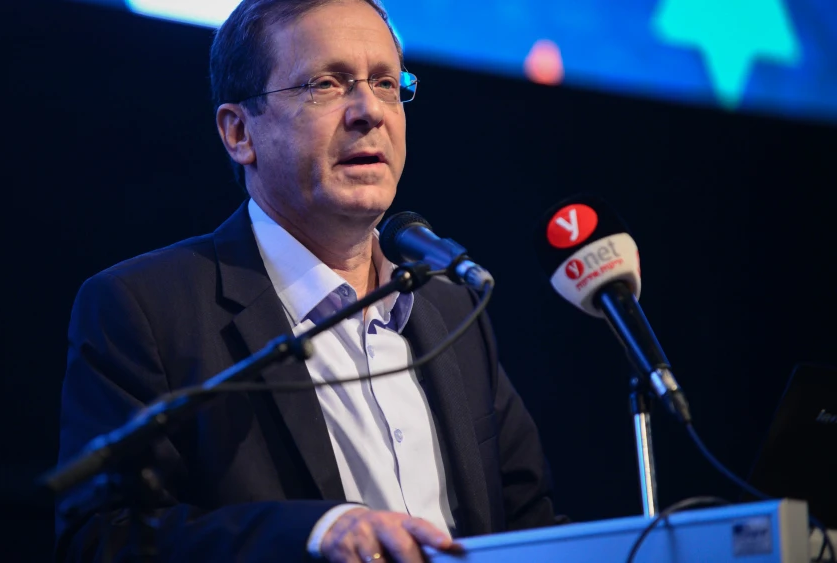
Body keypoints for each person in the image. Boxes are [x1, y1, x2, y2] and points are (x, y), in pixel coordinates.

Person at [56, 0, 564, 561]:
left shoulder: (452, 309)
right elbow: (104, 539)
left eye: (386, 83)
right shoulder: (145, 309)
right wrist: (313, 535)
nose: (369, 110)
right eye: (326, 83)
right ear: (238, 132)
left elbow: (530, 523)